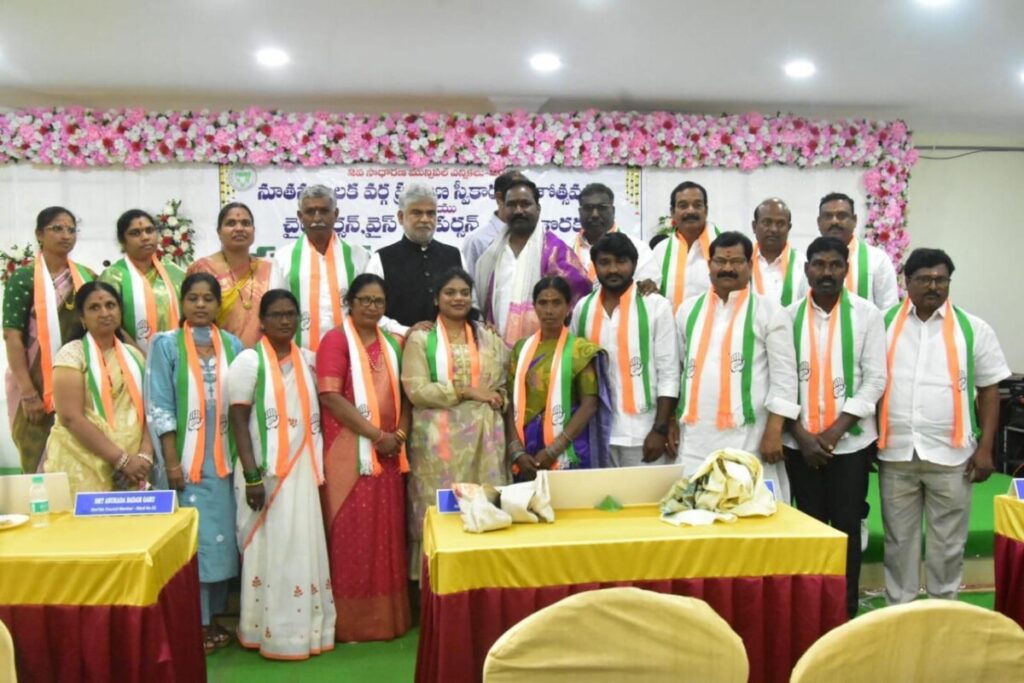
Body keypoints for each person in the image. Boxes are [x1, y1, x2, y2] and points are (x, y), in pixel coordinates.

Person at [876, 248, 1010, 605]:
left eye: (941, 279)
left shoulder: (973, 329)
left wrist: (986, 448)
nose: (933, 286)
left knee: (949, 545)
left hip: (953, 456)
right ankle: (899, 612)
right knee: (898, 543)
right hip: (897, 453)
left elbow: (990, 389)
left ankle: (943, 610)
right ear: (907, 281)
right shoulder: (882, 324)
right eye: (924, 279)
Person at [778, 236, 887, 619]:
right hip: (800, 445)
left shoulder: (867, 315)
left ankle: (845, 613)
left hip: (850, 446)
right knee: (809, 527)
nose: (827, 272)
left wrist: (834, 432)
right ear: (806, 269)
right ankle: (811, 613)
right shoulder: (786, 317)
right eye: (819, 264)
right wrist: (802, 436)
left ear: (846, 269)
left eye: (835, 264)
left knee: (846, 528)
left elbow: (875, 379)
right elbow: (780, 381)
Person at [228, 289, 336, 659]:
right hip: (264, 471)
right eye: (276, 314)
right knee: (269, 546)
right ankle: (265, 629)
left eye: (291, 314)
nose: (285, 321)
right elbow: (238, 420)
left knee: (302, 542)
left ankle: (305, 630)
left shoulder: (308, 360)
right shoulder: (248, 362)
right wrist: (252, 476)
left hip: (301, 468)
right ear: (262, 320)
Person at [145, 273, 244, 654]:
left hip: (224, 462)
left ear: (219, 305)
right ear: (182, 303)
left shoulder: (233, 345)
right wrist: (171, 463)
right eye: (193, 298)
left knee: (221, 540)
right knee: (194, 542)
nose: (201, 305)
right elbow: (160, 405)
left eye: (208, 299)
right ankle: (194, 623)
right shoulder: (165, 345)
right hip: (184, 464)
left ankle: (212, 618)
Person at [316, 274, 412, 642]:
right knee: (350, 536)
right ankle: (352, 623)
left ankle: (387, 621)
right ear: (350, 303)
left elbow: (406, 396)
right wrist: (376, 436)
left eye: (378, 302)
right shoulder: (335, 340)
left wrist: (397, 437)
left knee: (385, 535)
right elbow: (330, 396)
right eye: (365, 300)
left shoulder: (394, 344)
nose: (372, 307)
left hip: (388, 455)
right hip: (349, 454)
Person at [675, 232, 796, 501]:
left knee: (750, 514)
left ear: (750, 266)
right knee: (697, 513)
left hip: (749, 439)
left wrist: (774, 431)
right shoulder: (687, 310)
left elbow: (785, 379)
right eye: (720, 261)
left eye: (737, 262)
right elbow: (682, 370)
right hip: (696, 439)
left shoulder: (770, 312)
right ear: (709, 265)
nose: (727, 268)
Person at [402, 267, 509, 569]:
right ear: (436, 298)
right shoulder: (421, 338)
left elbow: (504, 381)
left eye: (464, 292)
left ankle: (486, 576)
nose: (458, 298)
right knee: (440, 510)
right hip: (438, 445)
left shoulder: (488, 336)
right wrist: (466, 391)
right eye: (449, 292)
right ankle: (438, 578)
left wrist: (498, 396)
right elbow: (416, 390)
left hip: (484, 443)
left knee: (484, 506)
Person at [572, 233, 679, 467]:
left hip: (644, 433)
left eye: (621, 261)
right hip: (598, 433)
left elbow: (669, 372)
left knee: (648, 492)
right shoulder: (583, 308)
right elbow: (575, 367)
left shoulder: (655, 306)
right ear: (594, 265)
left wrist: (660, 429)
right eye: (605, 262)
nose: (613, 269)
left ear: (634, 263)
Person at [3, 206, 95, 474]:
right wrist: (28, 393)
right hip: (32, 381)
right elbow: (12, 336)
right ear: (39, 234)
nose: (66, 235)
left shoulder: (86, 277)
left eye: (71, 229)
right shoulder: (23, 279)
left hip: (78, 380)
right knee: (37, 459)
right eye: (57, 228)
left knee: (81, 455)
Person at [43, 281, 152, 494]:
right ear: (82, 318)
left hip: (134, 469)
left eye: (110, 305)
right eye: (94, 307)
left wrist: (145, 455)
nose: (104, 313)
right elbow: (71, 418)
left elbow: (151, 409)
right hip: (83, 463)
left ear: (120, 312)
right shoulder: (71, 355)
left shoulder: (135, 356)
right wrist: (121, 460)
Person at [507, 276, 611, 480]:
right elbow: (509, 402)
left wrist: (554, 449)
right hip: (526, 449)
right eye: (543, 303)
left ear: (568, 307)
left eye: (556, 303)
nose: (549, 310)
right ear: (534, 306)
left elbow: (589, 405)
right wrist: (516, 451)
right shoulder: (520, 348)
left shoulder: (580, 350)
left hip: (568, 447)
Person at [476, 177, 591, 343]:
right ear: (503, 208)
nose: (518, 211)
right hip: (497, 348)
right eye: (511, 205)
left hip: (547, 348)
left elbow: (581, 298)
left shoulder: (556, 251)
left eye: (525, 204)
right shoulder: (492, 253)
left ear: (538, 208)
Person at [276, 185, 369, 351]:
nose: (317, 218)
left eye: (324, 211)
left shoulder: (358, 255)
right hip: (299, 354)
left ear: (336, 214)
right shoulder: (283, 257)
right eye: (310, 211)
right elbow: (276, 310)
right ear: (300, 216)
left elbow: (369, 306)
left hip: (349, 353)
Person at [366, 181, 463, 330]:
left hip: (452, 343)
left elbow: (471, 305)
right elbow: (368, 310)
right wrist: (404, 331)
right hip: (398, 343)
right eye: (417, 213)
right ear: (401, 217)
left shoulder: (454, 255)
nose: (425, 219)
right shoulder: (381, 259)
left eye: (431, 213)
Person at [187, 202, 285, 348]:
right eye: (231, 223)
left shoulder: (270, 269)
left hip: (263, 356)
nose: (239, 228)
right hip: (216, 354)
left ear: (253, 230)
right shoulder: (203, 269)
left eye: (245, 223)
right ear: (219, 232)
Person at [100, 209, 185, 353]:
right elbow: (110, 324)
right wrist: (139, 356)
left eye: (149, 230)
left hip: (177, 356)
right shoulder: (113, 276)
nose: (145, 237)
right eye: (135, 233)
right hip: (128, 357)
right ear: (122, 240)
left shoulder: (176, 274)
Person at [817, 192, 899, 309]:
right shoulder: (809, 262)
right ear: (819, 222)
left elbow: (888, 310)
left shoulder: (877, 259)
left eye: (841, 216)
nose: (834, 221)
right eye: (828, 216)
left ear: (854, 220)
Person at [650, 181, 718, 312]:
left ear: (706, 210)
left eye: (697, 205)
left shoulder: (722, 248)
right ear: (672, 212)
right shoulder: (660, 250)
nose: (690, 210)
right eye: (683, 206)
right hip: (669, 324)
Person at [574, 183, 658, 286]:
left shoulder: (639, 248)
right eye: (588, 208)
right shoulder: (565, 248)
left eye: (601, 208)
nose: (595, 214)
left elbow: (647, 289)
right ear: (580, 212)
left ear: (613, 210)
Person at [461, 169, 524, 277]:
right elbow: (467, 283)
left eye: (525, 202)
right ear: (499, 198)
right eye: (515, 200)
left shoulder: (534, 238)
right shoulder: (477, 241)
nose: (520, 209)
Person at [750, 198, 806, 307]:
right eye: (767, 222)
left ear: (789, 228)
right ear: (754, 226)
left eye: (780, 224)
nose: (774, 229)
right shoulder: (741, 262)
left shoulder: (803, 264)